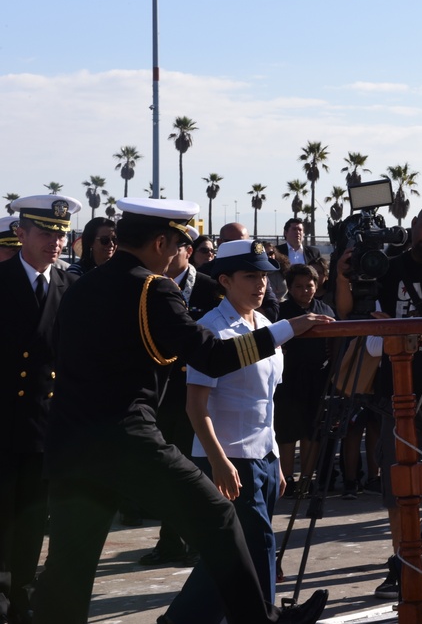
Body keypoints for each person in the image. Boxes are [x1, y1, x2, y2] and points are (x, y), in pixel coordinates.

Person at [31, 198, 332, 624]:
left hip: (70, 445)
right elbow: (210, 357)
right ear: (159, 242)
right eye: (177, 244)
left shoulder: (83, 286)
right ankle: (259, 621)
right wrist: (285, 330)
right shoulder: (153, 288)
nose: (180, 255)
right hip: (126, 439)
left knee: (70, 568)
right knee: (220, 517)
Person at [336, 203, 422, 599]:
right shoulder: (386, 264)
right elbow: (348, 314)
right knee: (397, 484)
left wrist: (409, 333)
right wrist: (345, 274)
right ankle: (401, 565)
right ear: (413, 226)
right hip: (393, 390)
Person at [162, 240, 288, 623]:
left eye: (264, 276)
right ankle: (264, 616)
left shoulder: (265, 326)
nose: (260, 284)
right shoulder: (210, 329)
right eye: (250, 276)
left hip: (262, 456)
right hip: (229, 456)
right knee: (259, 543)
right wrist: (218, 461)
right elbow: (195, 406)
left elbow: (266, 402)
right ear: (225, 280)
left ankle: (181, 620)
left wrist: (277, 459)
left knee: (232, 553)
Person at [0, 194, 82, 624]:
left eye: (61, 234)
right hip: (2, 424)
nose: (55, 241)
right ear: (21, 234)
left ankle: (22, 597)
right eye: (46, 232)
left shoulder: (71, 287)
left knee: (32, 520)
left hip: (44, 426)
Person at [137, 227, 219, 567]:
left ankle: (200, 541)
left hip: (199, 395)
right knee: (167, 473)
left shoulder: (211, 288)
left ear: (186, 250)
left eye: (178, 246)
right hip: (162, 395)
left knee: (196, 470)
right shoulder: (148, 287)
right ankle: (170, 541)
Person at [274, 264, 336, 495]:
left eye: (309, 286)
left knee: (313, 432)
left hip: (318, 380)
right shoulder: (280, 312)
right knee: (287, 433)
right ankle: (287, 479)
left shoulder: (326, 310)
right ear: (289, 288)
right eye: (298, 287)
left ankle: (307, 480)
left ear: (316, 285)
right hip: (287, 381)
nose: (305, 291)